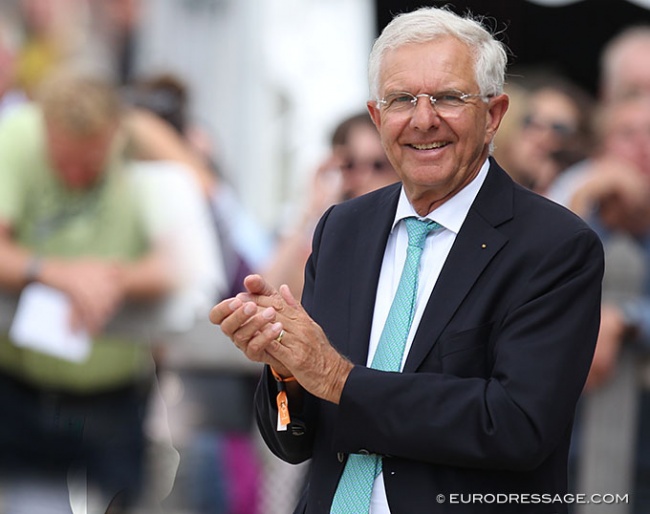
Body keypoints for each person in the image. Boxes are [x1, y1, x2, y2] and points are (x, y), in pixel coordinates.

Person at [210, 6, 604, 514]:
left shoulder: (555, 247)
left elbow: (516, 426)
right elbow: (294, 442)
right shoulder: (342, 229)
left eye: (447, 97)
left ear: (494, 115)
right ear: (377, 117)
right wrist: (288, 370)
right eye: (401, 100)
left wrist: (337, 379)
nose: (423, 119)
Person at [0, 70, 181, 513]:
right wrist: (57, 273)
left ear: (113, 136)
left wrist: (108, 280)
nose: (75, 176)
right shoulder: (18, 135)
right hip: (24, 388)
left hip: (118, 392)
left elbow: (187, 253)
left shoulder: (141, 145)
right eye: (63, 163)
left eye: (89, 163)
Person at [264, 111, 399, 296]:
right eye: (350, 164)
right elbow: (264, 289)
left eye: (378, 165)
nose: (364, 176)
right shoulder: (327, 233)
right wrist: (311, 208)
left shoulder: (408, 232)